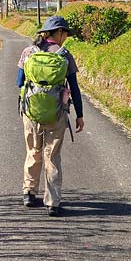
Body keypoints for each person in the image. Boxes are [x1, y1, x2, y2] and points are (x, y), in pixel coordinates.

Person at [17, 15, 84, 217]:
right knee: (52, 156)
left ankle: (29, 193)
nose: (66, 37)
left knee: (33, 151)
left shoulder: (28, 52)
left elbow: (19, 82)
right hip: (57, 114)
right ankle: (52, 202)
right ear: (59, 33)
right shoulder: (64, 55)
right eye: (65, 33)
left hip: (31, 112)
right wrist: (79, 115)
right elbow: (75, 88)